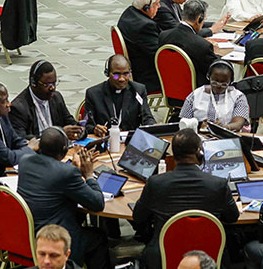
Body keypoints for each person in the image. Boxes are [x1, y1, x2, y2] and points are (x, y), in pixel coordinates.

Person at [132, 129, 240, 269]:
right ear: (199, 152)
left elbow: (138, 217)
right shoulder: (218, 184)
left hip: (163, 255)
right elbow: (232, 217)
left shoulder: (156, 183)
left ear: (174, 154)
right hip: (208, 256)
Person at [17, 127, 110, 269]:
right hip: (56, 237)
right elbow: (97, 203)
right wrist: (89, 174)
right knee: (99, 237)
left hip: (29, 234)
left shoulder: (24, 161)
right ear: (65, 150)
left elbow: (52, 175)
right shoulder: (67, 173)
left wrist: (72, 168)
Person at [83, 54, 155, 135]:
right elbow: (86, 125)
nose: (121, 79)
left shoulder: (138, 90)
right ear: (107, 73)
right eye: (116, 75)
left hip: (130, 141)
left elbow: (147, 118)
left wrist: (153, 126)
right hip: (104, 140)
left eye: (126, 74)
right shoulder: (93, 94)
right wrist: (95, 129)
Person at [10, 60, 82, 140]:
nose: (52, 88)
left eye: (54, 83)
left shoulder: (56, 97)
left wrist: (80, 129)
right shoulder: (18, 108)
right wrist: (60, 133)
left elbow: (69, 122)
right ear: (33, 83)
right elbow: (21, 139)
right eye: (47, 84)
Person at [179, 60, 249, 131]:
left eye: (224, 83)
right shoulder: (195, 95)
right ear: (208, 77)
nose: (219, 85)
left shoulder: (238, 97)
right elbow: (184, 122)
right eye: (214, 81)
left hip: (227, 137)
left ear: (230, 81)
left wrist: (223, 128)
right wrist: (199, 125)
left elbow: (238, 123)